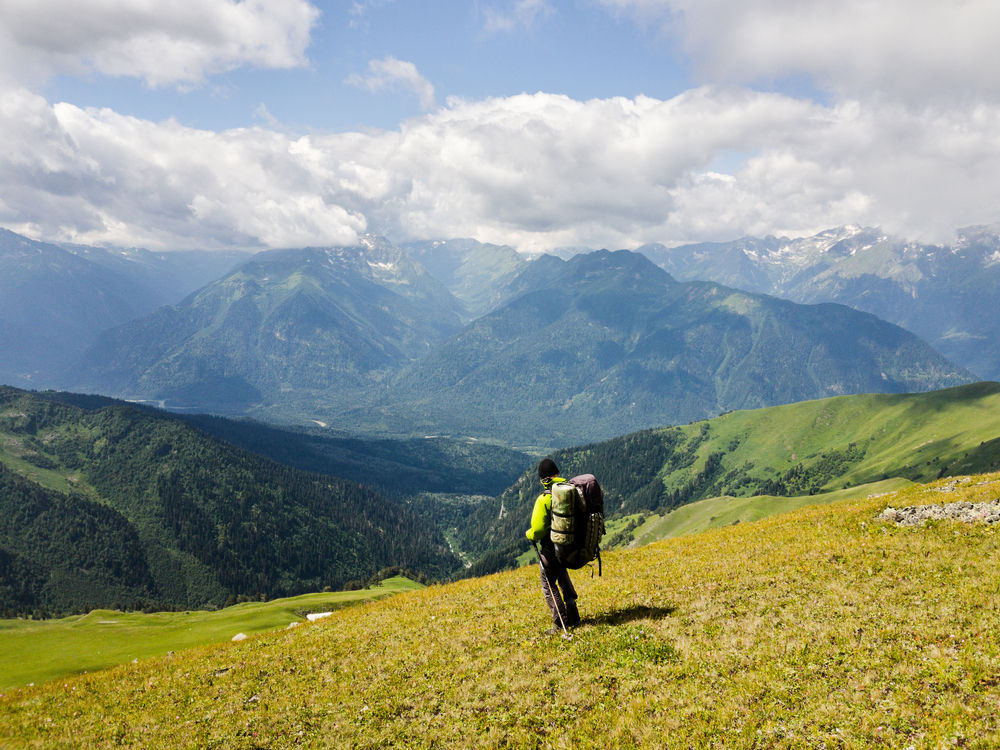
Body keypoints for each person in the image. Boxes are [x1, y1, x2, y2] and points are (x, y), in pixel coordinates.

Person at [525, 458, 580, 632]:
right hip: (569, 545)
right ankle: (573, 611)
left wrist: (529, 534)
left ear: (543, 479)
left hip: (551, 548)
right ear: (557, 474)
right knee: (561, 572)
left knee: (548, 582)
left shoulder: (544, 499)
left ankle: (560, 622)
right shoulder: (570, 491)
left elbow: (539, 530)